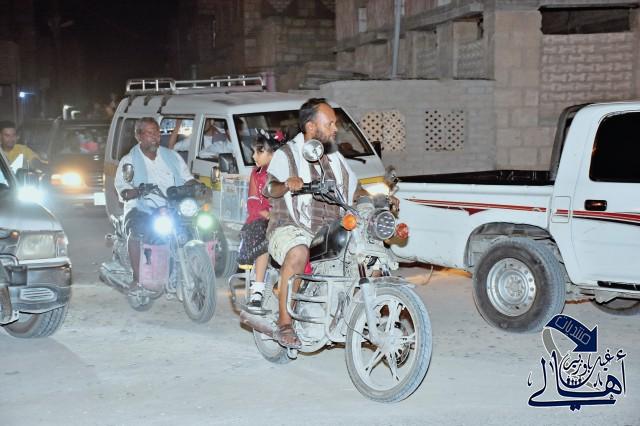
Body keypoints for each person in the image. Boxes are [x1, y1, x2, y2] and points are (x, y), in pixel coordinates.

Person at [264, 98, 359, 348]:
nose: (335, 129)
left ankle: (359, 312)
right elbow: (269, 188)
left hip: (330, 229)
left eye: (335, 124)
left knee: (367, 252)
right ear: (310, 126)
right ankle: (284, 323)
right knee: (298, 252)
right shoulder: (287, 154)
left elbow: (354, 188)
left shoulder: (334, 157)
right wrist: (287, 184)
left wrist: (379, 199)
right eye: (330, 124)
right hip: (290, 226)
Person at [114, 117, 199, 293]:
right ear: (139, 136)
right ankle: (137, 279)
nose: (155, 137)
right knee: (136, 231)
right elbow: (123, 188)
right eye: (150, 133)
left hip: (171, 205)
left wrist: (196, 185)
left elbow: (187, 178)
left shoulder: (172, 156)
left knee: (195, 225)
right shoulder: (129, 161)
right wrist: (135, 191)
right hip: (141, 206)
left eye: (157, 133)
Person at [239, 130, 282, 308]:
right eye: (254, 151)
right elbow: (252, 201)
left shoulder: (285, 173)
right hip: (260, 219)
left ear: (274, 153)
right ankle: (258, 289)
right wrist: (268, 215)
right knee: (263, 238)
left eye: (259, 151)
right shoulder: (256, 173)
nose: (254, 156)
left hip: (283, 217)